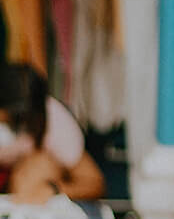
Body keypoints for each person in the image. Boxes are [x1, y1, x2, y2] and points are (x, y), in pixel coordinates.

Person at [0, 62, 104, 203]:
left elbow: (94, 183)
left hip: (26, 197)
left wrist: (54, 190)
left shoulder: (55, 122)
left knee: (37, 168)